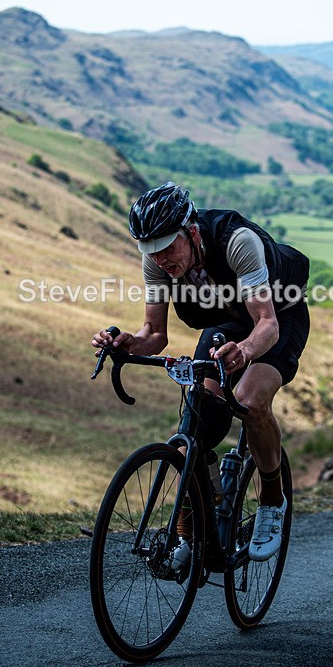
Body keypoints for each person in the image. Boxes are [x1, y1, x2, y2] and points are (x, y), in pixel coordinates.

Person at [92, 181, 310, 563]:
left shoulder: (237, 242)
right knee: (196, 424)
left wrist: (243, 352)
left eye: (165, 248)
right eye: (149, 251)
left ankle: (272, 502)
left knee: (248, 400)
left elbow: (267, 325)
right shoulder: (158, 262)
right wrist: (126, 343)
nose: (159, 259)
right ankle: (196, 525)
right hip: (227, 321)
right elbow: (154, 335)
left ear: (191, 232)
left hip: (276, 316)